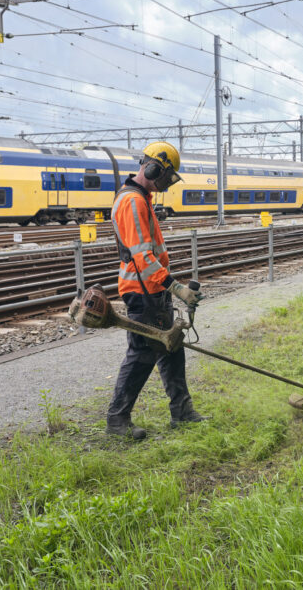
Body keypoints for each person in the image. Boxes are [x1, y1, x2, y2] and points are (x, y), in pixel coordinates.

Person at [107, 141, 205, 439]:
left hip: (151, 288)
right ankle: (117, 422)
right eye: (166, 176)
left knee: (171, 348)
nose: (166, 183)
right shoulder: (133, 201)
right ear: (152, 168)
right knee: (140, 355)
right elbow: (143, 258)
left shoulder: (142, 198)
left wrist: (168, 286)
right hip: (142, 291)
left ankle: (182, 411)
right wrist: (177, 288)